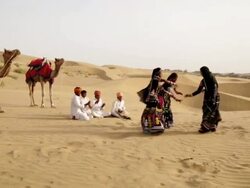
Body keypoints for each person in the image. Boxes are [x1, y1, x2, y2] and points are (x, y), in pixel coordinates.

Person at [138, 67, 175, 133]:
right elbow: (162, 82)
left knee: (149, 113)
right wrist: (172, 83)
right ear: (158, 73)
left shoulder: (155, 79)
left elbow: (161, 88)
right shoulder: (156, 78)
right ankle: (150, 127)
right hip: (152, 99)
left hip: (152, 99)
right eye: (161, 72)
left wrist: (169, 92)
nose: (162, 73)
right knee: (151, 113)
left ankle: (149, 127)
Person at [185, 66, 222, 133]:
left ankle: (206, 128)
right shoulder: (203, 80)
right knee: (207, 112)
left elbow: (215, 88)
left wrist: (213, 98)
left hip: (213, 98)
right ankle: (210, 127)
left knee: (210, 113)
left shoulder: (212, 78)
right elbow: (199, 90)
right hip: (208, 99)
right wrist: (191, 95)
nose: (201, 73)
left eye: (201, 72)